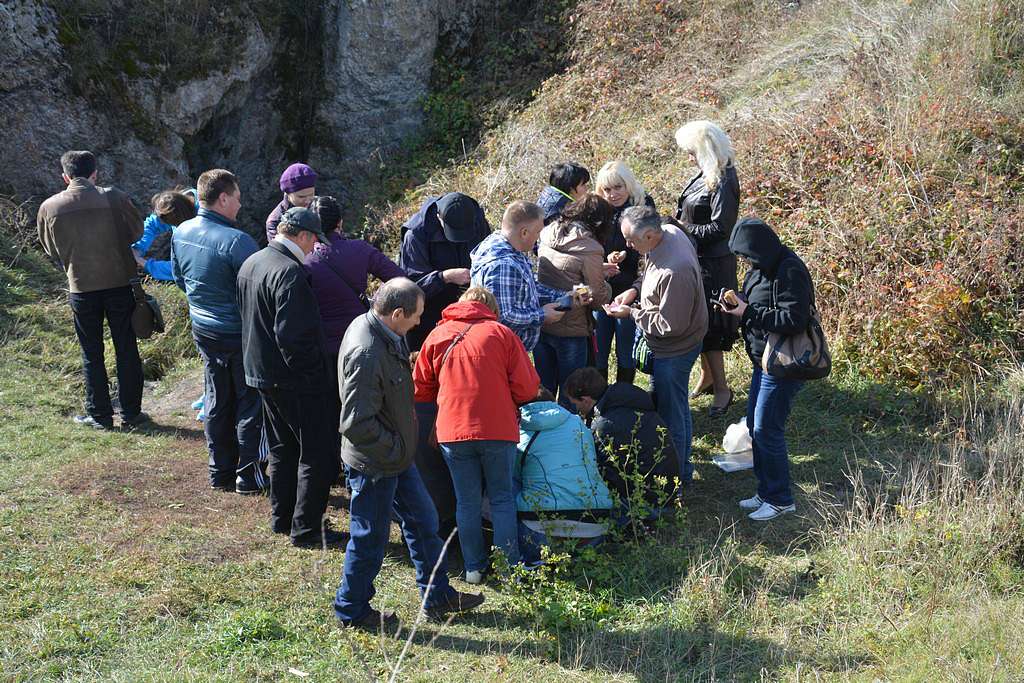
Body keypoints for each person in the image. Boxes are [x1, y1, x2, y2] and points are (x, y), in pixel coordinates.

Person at [334, 278, 484, 631]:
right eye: (416, 315)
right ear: (397, 313)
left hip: (398, 456)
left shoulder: (386, 331)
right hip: (376, 461)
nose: (419, 322)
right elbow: (356, 423)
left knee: (423, 522)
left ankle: (438, 597)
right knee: (370, 538)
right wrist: (396, 449)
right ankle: (352, 610)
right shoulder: (367, 352)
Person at [413, 287, 541, 583]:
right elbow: (527, 388)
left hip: (453, 429)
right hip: (497, 428)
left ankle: (473, 568)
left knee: (466, 501)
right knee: (502, 499)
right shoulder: (502, 334)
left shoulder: (438, 334)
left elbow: (420, 387)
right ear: (492, 309)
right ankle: (508, 569)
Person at [237, 207, 343, 545]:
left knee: (283, 448)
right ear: (303, 236)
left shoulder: (253, 262)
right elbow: (294, 338)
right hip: (294, 379)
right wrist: (315, 378)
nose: (314, 248)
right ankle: (307, 528)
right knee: (317, 451)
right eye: (314, 241)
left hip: (261, 373)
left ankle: (282, 518)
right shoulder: (289, 273)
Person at [37, 150, 146, 430]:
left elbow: (51, 249)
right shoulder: (115, 197)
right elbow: (136, 232)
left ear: (65, 177)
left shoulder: (49, 207)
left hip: (81, 287)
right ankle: (132, 413)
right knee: (126, 347)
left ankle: (100, 416)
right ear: (95, 173)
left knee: (91, 352)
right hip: (120, 284)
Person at [172, 169, 265, 493]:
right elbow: (259, 292)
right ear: (223, 198)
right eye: (237, 198)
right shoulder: (238, 241)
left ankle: (219, 471)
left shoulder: (181, 231)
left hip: (204, 328)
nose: (240, 205)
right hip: (238, 333)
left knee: (215, 398)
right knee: (249, 401)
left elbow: (180, 279)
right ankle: (248, 476)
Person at [604, 205, 707, 485]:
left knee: (672, 416)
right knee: (676, 405)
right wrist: (634, 290)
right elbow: (649, 272)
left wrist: (632, 314)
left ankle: (676, 481)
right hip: (669, 345)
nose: (627, 245)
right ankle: (682, 468)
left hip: (675, 350)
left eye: (631, 240)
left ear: (650, 235)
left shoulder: (675, 270)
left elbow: (669, 325)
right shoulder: (667, 233)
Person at [722, 217, 812, 521]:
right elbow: (757, 302)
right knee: (754, 426)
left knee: (766, 429)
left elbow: (794, 320)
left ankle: (780, 499)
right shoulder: (760, 269)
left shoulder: (790, 270)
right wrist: (737, 303)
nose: (745, 262)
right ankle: (765, 490)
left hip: (784, 363)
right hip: (763, 360)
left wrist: (748, 311)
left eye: (746, 255)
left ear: (759, 248)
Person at [306, 195, 405, 433]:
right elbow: (400, 279)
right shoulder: (359, 249)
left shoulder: (304, 259)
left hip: (323, 348)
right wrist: (378, 303)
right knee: (364, 408)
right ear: (340, 222)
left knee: (330, 411)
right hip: (361, 342)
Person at [674, 121, 742, 417]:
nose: (689, 157)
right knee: (700, 321)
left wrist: (682, 228)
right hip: (697, 259)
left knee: (712, 326)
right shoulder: (704, 174)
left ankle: (723, 389)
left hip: (714, 263)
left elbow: (720, 228)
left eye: (691, 152)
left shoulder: (724, 178)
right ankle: (707, 376)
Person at [515, 388, 614, 565]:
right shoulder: (579, 424)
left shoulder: (518, 432)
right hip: (595, 522)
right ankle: (579, 560)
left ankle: (525, 559)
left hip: (540, 526)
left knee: (505, 488)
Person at [563, 367, 680, 516]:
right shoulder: (626, 400)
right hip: (665, 493)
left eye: (575, 404)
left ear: (586, 400)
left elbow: (608, 476)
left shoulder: (605, 426)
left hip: (650, 504)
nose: (576, 408)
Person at [535, 193, 615, 406]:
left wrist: (597, 270)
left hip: (543, 320)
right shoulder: (590, 248)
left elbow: (564, 273)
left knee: (543, 389)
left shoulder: (547, 231)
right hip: (571, 329)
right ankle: (568, 427)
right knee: (571, 392)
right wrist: (606, 284)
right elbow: (596, 297)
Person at [469, 201, 572, 353]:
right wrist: (542, 315)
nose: (538, 238)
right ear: (524, 233)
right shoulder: (503, 265)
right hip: (504, 352)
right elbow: (502, 316)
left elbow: (526, 287)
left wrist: (561, 296)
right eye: (537, 232)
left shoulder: (504, 244)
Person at [399, 192, 491, 351]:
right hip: (427, 316)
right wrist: (444, 277)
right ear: (438, 218)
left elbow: (489, 255)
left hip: (469, 312)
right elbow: (410, 288)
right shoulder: (415, 235)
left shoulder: (476, 218)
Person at [593, 161, 656, 385]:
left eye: (618, 187)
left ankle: (623, 394)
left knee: (626, 348)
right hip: (603, 287)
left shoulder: (643, 206)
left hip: (631, 287)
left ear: (628, 184)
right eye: (607, 189)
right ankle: (599, 398)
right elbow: (590, 247)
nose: (613, 194)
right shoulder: (598, 211)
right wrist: (605, 259)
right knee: (599, 349)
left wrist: (626, 255)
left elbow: (650, 247)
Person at [131, 189, 198, 281]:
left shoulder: (201, 230)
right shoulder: (178, 205)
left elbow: (183, 269)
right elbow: (153, 224)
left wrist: (146, 264)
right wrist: (138, 248)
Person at [265, 163, 317, 243]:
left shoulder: (320, 207)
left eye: (311, 194)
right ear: (288, 194)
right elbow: (278, 248)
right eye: (301, 197)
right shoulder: (275, 221)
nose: (308, 201)